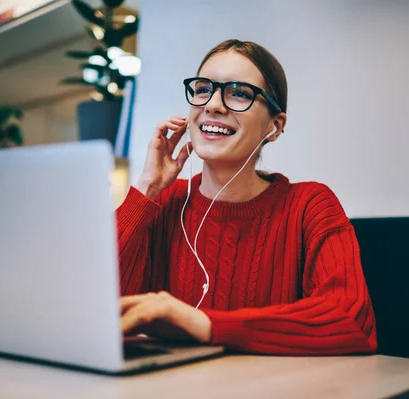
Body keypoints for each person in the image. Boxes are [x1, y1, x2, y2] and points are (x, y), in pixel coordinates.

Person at [116, 39, 377, 355]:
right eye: (202, 89)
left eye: (239, 93)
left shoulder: (310, 205)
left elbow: (352, 321)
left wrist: (203, 324)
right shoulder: (163, 203)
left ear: (274, 127)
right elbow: (96, 310)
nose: (213, 104)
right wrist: (146, 190)